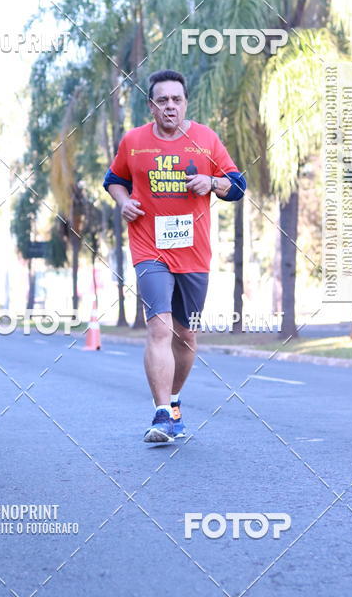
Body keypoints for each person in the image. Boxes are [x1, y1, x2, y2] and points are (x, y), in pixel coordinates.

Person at [103, 69, 246, 443]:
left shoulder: (206, 139)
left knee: (185, 336)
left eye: (176, 99)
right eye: (162, 100)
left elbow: (237, 186)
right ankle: (162, 413)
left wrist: (212, 182)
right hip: (149, 248)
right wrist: (124, 202)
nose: (170, 106)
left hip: (193, 253)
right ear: (151, 106)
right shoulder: (134, 142)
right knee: (159, 328)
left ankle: (176, 399)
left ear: (185, 103)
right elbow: (114, 180)